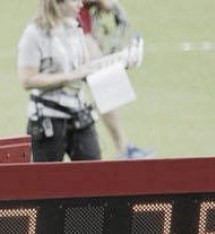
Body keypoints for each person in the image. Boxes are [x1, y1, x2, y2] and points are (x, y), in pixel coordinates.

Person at [17, 0, 102, 162]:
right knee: (44, 183)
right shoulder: (34, 34)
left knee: (95, 179)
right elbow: (26, 80)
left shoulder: (75, 27)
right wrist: (70, 76)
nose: (80, 4)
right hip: (47, 121)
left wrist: (118, 62)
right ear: (57, 3)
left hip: (80, 115)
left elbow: (84, 68)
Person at [80, 0, 154, 159]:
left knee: (103, 83)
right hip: (76, 31)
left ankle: (123, 147)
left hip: (77, 29)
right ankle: (123, 148)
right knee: (104, 82)